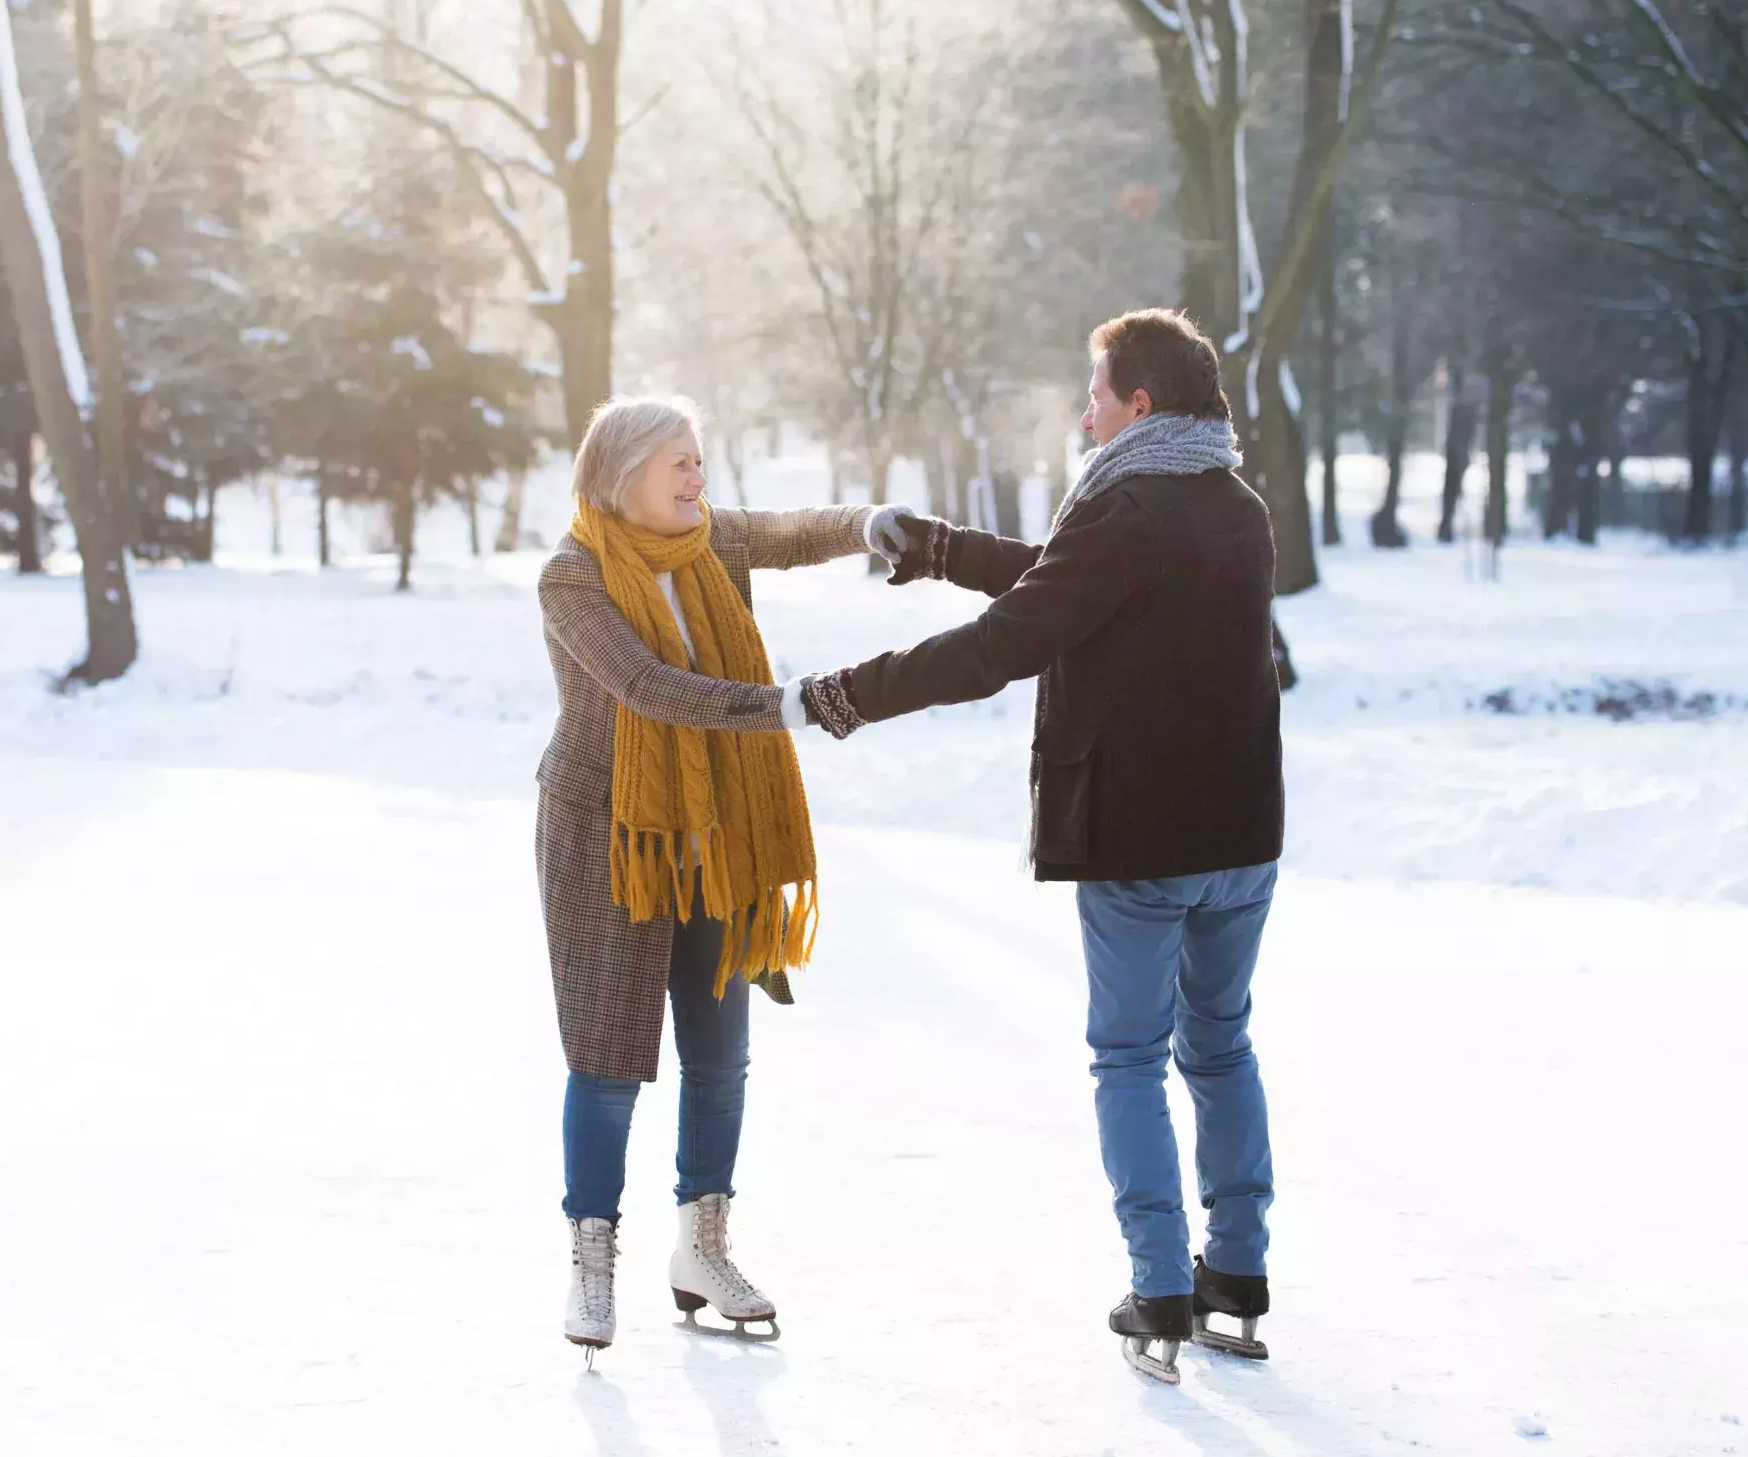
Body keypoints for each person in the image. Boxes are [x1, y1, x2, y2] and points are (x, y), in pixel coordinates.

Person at [791, 310, 1286, 1386]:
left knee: (1126, 1055)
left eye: (1094, 393)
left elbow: (1009, 641)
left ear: (1137, 405)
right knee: (1220, 1047)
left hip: (1142, 842)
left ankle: (1159, 1281)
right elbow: (1069, 581)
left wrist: (845, 696)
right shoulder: (1232, 502)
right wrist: (938, 548)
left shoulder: (1129, 504)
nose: (1082, 412)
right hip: (1241, 836)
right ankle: (1234, 1275)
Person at [535, 395, 915, 1358]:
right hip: (612, 836)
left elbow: (794, 530)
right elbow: (647, 690)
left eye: (700, 461)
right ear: (621, 473)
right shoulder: (572, 578)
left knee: (718, 1054)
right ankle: (591, 1260)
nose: (699, 480)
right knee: (609, 1054)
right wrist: (792, 705)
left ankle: (703, 1248)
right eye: (679, 463)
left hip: (718, 833)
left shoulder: (710, 542)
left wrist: (866, 524)